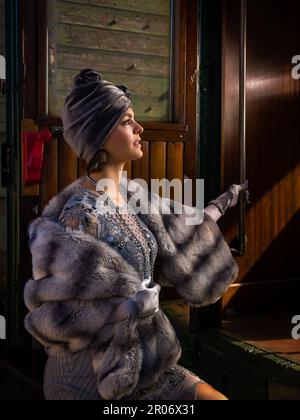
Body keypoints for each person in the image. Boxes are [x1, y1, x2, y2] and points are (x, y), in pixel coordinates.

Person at [23, 69, 249, 401]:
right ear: (99, 135)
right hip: (93, 378)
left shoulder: (133, 198)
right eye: (127, 121)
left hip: (147, 363)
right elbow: (55, 318)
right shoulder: (80, 215)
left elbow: (185, 228)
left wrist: (225, 201)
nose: (140, 128)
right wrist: (127, 308)